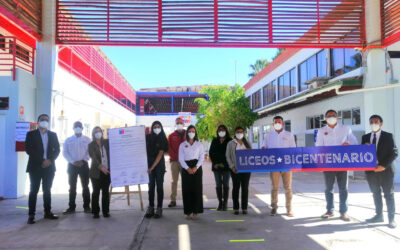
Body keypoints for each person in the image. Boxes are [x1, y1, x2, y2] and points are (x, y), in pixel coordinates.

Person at [316, 109, 357, 221]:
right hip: (328, 164)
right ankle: (330, 210)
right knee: (328, 188)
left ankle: (343, 212)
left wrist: (348, 143)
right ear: (325, 118)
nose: (331, 117)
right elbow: (319, 146)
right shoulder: (321, 130)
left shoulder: (345, 129)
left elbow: (354, 142)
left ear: (337, 117)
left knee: (343, 188)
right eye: (329, 116)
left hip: (342, 163)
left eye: (333, 115)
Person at [362, 115, 398, 229]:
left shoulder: (388, 136)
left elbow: (394, 152)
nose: (373, 124)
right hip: (371, 172)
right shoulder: (365, 137)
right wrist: (364, 147)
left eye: (376, 122)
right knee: (375, 194)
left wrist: (383, 166)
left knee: (389, 195)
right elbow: (361, 154)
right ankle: (378, 216)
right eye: (371, 122)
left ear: (381, 123)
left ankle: (391, 219)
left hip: (386, 171)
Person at [25, 114, 60, 224]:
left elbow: (57, 150)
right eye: (42, 120)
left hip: (49, 167)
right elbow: (28, 149)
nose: (44, 121)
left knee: (47, 191)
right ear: (38, 121)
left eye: (46, 120)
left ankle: (48, 212)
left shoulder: (53, 135)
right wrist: (42, 161)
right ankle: (31, 215)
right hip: (35, 166)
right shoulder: (31, 134)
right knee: (33, 191)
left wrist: (49, 160)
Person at [262, 116, 296, 217]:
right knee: (274, 187)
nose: (277, 123)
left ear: (283, 123)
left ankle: (289, 209)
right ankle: (274, 207)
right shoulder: (268, 135)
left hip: (286, 165)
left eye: (279, 122)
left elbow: (293, 149)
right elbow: (264, 146)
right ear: (273, 124)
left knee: (288, 188)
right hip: (274, 165)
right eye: (275, 122)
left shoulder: (289, 135)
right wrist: (263, 148)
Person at [62, 121, 91, 214]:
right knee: (72, 187)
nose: (77, 128)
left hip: (84, 165)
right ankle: (71, 207)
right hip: (72, 166)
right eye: (76, 126)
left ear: (82, 128)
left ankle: (87, 207)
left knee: (85, 186)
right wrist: (73, 162)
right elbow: (65, 152)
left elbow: (90, 152)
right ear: (73, 128)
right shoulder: (68, 140)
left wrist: (83, 161)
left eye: (79, 126)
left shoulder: (87, 139)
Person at [178, 125, 205, 220]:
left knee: (197, 189)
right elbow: (180, 159)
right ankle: (188, 212)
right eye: (190, 131)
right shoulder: (182, 145)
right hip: (186, 168)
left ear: (195, 133)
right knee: (187, 190)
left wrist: (196, 167)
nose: (191, 133)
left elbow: (202, 157)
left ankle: (195, 211)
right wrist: (187, 168)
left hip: (197, 168)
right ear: (187, 133)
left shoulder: (199, 144)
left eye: (193, 131)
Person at [145, 121, 168, 219]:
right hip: (149, 165)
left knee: (159, 187)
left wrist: (152, 167)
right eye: (155, 126)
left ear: (161, 128)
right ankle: (151, 207)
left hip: (158, 166)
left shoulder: (163, 138)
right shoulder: (148, 137)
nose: (156, 128)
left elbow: (160, 154)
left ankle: (159, 208)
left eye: (158, 126)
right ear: (152, 128)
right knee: (151, 187)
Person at [226, 127, 252, 215]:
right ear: (235, 133)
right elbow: (227, 156)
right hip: (235, 170)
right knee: (236, 188)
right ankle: (236, 208)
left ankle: (244, 208)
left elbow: (252, 154)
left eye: (241, 132)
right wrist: (232, 167)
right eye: (238, 132)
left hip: (246, 170)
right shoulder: (231, 143)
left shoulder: (247, 142)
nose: (240, 133)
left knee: (245, 188)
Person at [88, 126, 111, 219]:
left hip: (107, 171)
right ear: (93, 133)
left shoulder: (106, 142)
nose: (98, 133)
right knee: (96, 192)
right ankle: (95, 212)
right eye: (96, 132)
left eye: (100, 131)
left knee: (105, 192)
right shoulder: (91, 145)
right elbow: (94, 158)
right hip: (96, 172)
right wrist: (102, 167)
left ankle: (106, 211)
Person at [209, 125, 232, 211]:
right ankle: (220, 203)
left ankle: (225, 203)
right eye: (219, 130)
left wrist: (224, 164)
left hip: (226, 167)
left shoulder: (230, 141)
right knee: (218, 185)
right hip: (216, 167)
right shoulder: (214, 140)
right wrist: (215, 163)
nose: (221, 131)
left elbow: (231, 154)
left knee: (225, 185)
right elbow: (211, 152)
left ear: (226, 130)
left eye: (222, 130)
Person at [167, 117, 186, 207]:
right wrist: (176, 157)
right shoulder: (171, 136)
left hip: (186, 163)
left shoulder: (189, 134)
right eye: (177, 123)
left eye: (181, 123)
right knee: (174, 181)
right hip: (174, 162)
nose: (179, 124)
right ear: (175, 124)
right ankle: (173, 200)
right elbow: (169, 148)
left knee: (186, 181)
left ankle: (188, 199)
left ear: (184, 124)